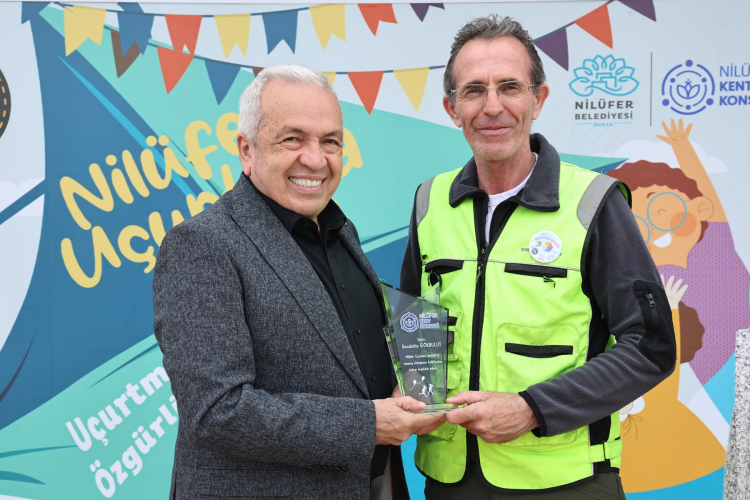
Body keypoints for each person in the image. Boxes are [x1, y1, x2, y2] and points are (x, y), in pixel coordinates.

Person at [399, 15, 676, 498]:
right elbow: (414, 325)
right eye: (473, 91)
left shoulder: (593, 202)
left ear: (538, 99)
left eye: (510, 87)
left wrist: (532, 408)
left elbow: (650, 346)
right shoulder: (429, 201)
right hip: (450, 480)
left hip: (566, 481)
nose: (493, 106)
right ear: (452, 108)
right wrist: (412, 389)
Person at [153, 65, 443, 500]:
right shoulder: (202, 245)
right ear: (247, 150)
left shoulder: (339, 231)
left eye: (331, 142)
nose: (316, 159)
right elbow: (217, 410)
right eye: (293, 139)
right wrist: (370, 424)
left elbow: (354, 359)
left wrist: (412, 377)